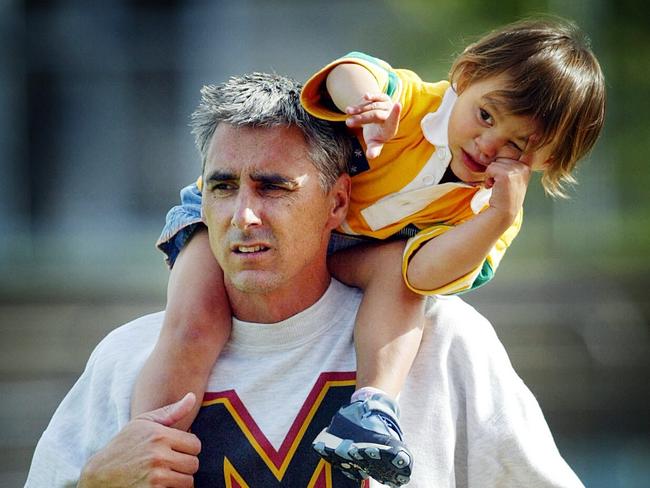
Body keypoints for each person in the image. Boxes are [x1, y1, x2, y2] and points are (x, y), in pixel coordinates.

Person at [26, 71, 585, 488]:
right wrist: (93, 484)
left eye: (273, 187)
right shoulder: (125, 359)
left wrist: (495, 218)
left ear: (338, 201)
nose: (243, 215)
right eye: (221, 188)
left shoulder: (447, 344)